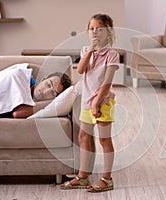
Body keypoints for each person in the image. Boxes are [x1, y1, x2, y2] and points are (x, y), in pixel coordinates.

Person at [60, 13, 119, 193]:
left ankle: (107, 179)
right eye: (91, 29)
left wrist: (97, 103)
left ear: (108, 33)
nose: (95, 32)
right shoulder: (86, 50)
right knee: (83, 137)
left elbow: (107, 82)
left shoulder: (112, 55)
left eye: (99, 29)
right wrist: (91, 51)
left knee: (104, 139)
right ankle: (83, 176)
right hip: (87, 101)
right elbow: (80, 70)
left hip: (103, 102)